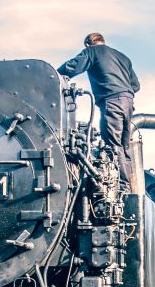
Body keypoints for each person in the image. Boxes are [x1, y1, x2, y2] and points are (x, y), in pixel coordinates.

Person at [58, 33, 140, 188]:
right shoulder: (123, 57)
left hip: (112, 101)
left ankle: (121, 187)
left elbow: (72, 67)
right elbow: (135, 85)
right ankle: (127, 185)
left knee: (112, 144)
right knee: (124, 146)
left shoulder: (93, 51)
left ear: (88, 44)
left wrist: (55, 75)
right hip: (128, 102)